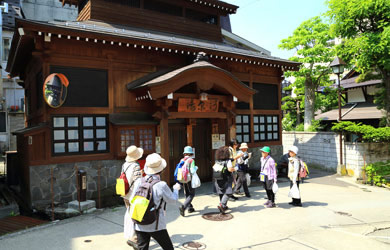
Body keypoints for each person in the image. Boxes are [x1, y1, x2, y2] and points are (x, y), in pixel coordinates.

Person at [130, 153, 181, 250]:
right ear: (161, 169)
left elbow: (131, 200)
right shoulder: (161, 185)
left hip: (139, 221)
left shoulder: (139, 181)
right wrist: (176, 189)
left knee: (142, 248)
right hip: (155, 223)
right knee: (168, 248)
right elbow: (173, 200)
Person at [122, 145, 144, 248]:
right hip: (133, 195)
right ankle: (134, 238)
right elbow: (138, 182)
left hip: (125, 193)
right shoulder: (136, 166)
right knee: (137, 217)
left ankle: (130, 235)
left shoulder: (124, 165)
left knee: (130, 215)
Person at [214, 146, 236, 214]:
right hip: (227, 178)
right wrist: (234, 169)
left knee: (221, 192)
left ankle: (223, 207)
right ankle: (222, 204)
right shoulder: (228, 161)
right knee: (228, 192)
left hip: (218, 178)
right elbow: (229, 169)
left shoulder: (217, 160)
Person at [178, 146, 197, 217]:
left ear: (185, 153)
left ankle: (190, 208)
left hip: (183, 179)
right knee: (191, 194)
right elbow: (192, 170)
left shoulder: (181, 160)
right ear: (191, 154)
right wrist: (196, 168)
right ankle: (183, 206)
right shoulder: (191, 160)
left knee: (187, 193)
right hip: (189, 179)